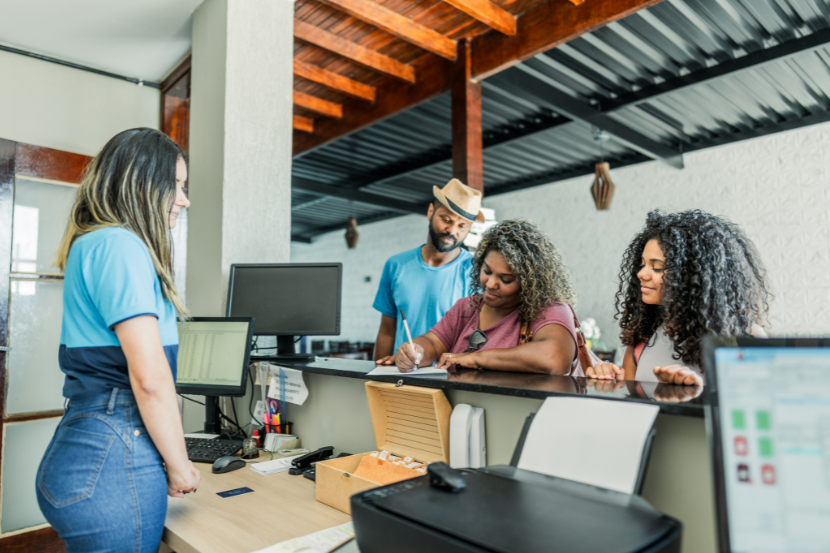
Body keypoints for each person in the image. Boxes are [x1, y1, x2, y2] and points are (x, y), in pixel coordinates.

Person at [36, 128, 200, 553]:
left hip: (89, 444)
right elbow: (149, 379)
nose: (184, 200)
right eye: (176, 186)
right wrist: (180, 466)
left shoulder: (94, 242)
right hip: (113, 447)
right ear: (143, 184)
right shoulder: (120, 244)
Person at [587, 210, 771, 386]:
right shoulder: (643, 337)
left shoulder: (745, 337)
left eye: (657, 268)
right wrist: (610, 381)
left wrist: (697, 389)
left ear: (692, 275)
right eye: (642, 264)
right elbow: (632, 405)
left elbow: (765, 403)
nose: (641, 274)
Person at [382, 219, 579, 375]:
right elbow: (433, 343)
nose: (491, 284)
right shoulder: (467, 307)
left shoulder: (549, 309)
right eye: (487, 270)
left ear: (530, 282)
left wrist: (476, 358)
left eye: (506, 279)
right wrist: (415, 352)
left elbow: (555, 358)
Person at [373, 178, 484, 362]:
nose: (452, 230)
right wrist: (376, 375)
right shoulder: (396, 265)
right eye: (446, 219)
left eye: (462, 226)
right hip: (402, 372)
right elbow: (386, 331)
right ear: (431, 211)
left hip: (450, 376)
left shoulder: (477, 272)